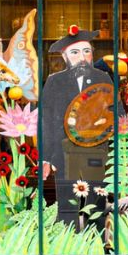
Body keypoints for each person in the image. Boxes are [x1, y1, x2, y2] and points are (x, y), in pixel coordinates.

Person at [40, 25, 112, 180]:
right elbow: (46, 122)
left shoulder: (103, 79)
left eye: (86, 51)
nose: (82, 57)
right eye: (74, 52)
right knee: (67, 202)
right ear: (65, 57)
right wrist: (45, 158)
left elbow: (117, 113)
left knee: (96, 200)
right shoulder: (54, 82)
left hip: (96, 154)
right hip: (62, 157)